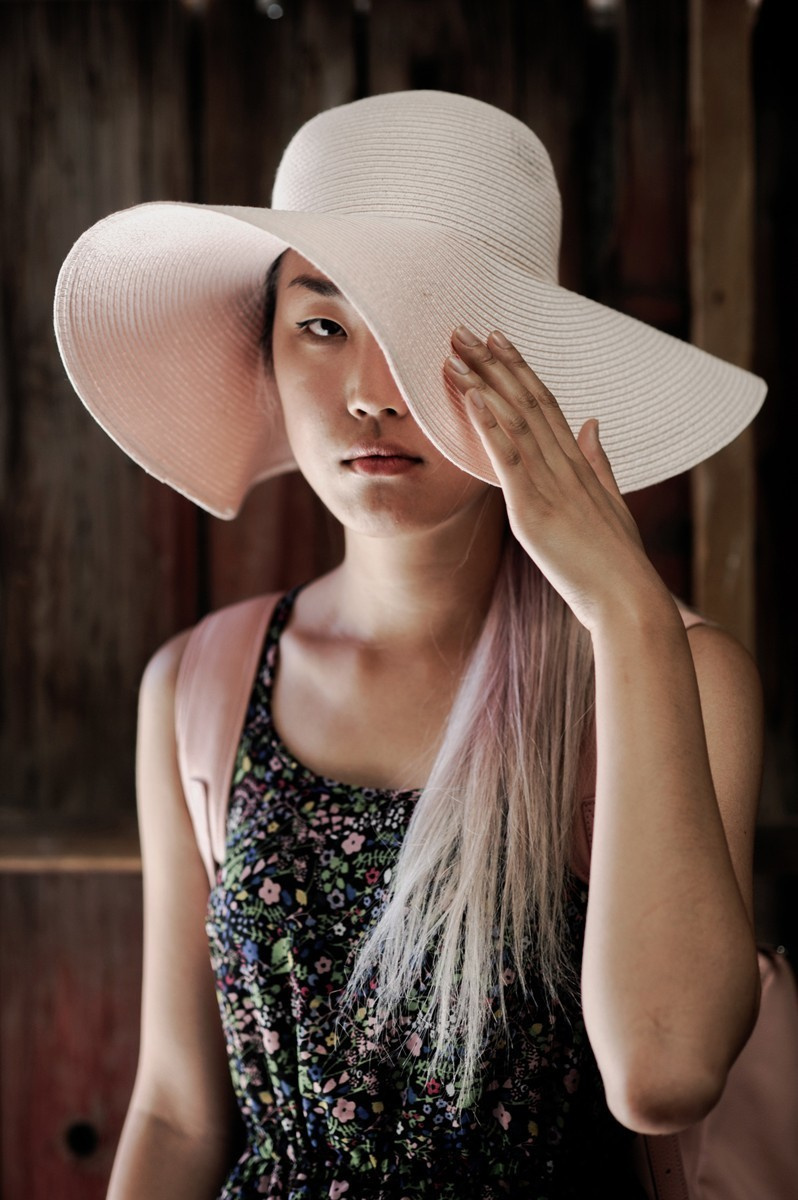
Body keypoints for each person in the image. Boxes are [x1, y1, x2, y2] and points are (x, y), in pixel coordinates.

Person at [54, 90, 767, 1199]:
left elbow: (664, 1075)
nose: (370, 395)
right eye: (324, 325)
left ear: (526, 370)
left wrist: (625, 607)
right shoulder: (199, 687)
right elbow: (178, 1111)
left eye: (423, 331)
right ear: (268, 357)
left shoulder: (668, 672)